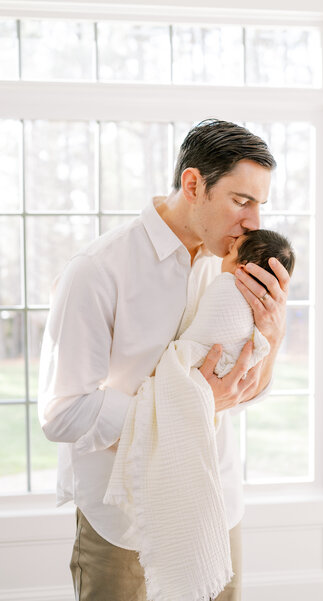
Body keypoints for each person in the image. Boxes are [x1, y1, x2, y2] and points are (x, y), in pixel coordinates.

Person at [38, 119, 291, 601]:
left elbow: (239, 391)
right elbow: (62, 414)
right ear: (193, 185)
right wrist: (192, 402)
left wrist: (272, 339)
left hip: (215, 507)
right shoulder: (97, 272)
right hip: (125, 526)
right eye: (241, 201)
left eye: (260, 205)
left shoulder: (236, 267)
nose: (254, 222)